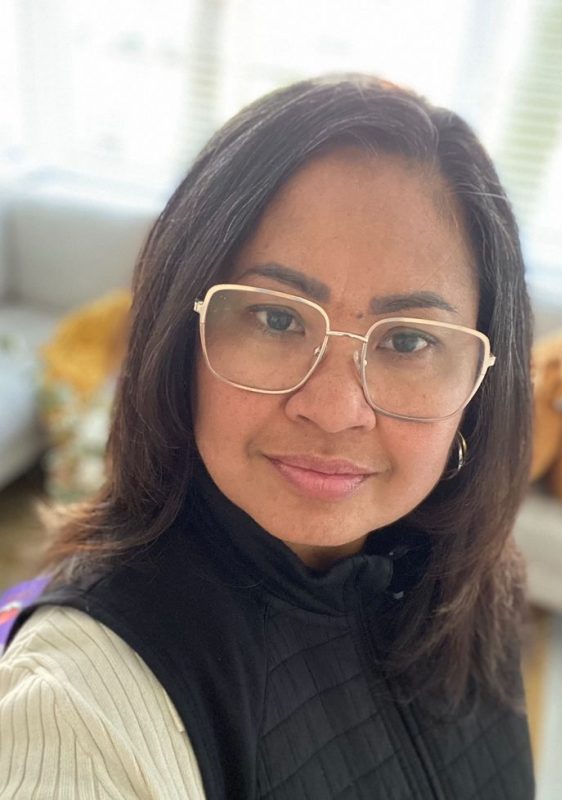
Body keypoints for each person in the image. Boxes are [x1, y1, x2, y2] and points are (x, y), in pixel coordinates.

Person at [0, 74, 535, 799]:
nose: (335, 409)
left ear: (480, 381)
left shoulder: (479, 584)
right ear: (180, 337)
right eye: (278, 319)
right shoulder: (76, 708)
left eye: (408, 340)